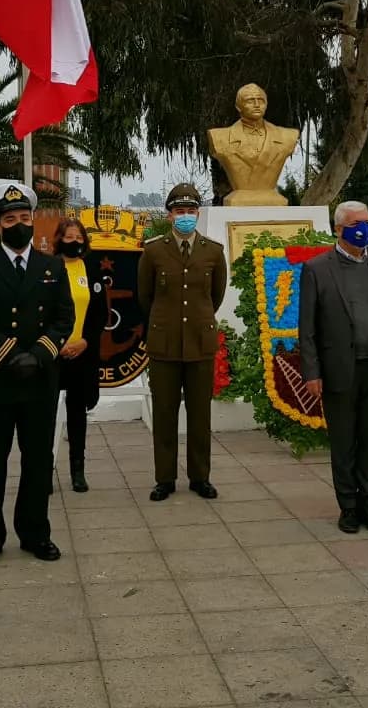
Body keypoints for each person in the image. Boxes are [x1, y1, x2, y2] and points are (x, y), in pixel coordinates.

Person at [0, 182, 74, 566]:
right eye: (11, 219)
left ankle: (35, 533)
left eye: (26, 218)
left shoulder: (52, 266)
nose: (20, 224)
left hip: (39, 380)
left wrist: (40, 354)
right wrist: (10, 354)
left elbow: (63, 318)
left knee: (38, 461)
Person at [301, 201, 368, 534]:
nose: (364, 229)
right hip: (337, 369)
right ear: (339, 228)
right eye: (357, 223)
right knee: (344, 442)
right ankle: (348, 506)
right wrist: (312, 371)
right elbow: (307, 327)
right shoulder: (318, 268)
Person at [138, 183, 228, 501]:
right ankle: (164, 478)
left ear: (198, 213)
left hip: (200, 345)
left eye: (191, 211)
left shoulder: (213, 251)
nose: (185, 216)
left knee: (200, 414)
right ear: (170, 214)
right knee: (164, 413)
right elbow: (145, 298)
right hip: (164, 346)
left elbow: (215, 296)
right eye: (180, 211)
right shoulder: (153, 250)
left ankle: (200, 477)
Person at [54, 218, 107, 493]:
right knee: (45, 414)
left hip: (82, 352)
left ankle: (77, 470)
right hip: (52, 352)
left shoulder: (92, 268)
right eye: (69, 237)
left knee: (77, 412)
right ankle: (43, 469)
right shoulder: (47, 268)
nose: (74, 241)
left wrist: (85, 342)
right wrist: (55, 343)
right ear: (59, 239)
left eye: (78, 237)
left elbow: (101, 313)